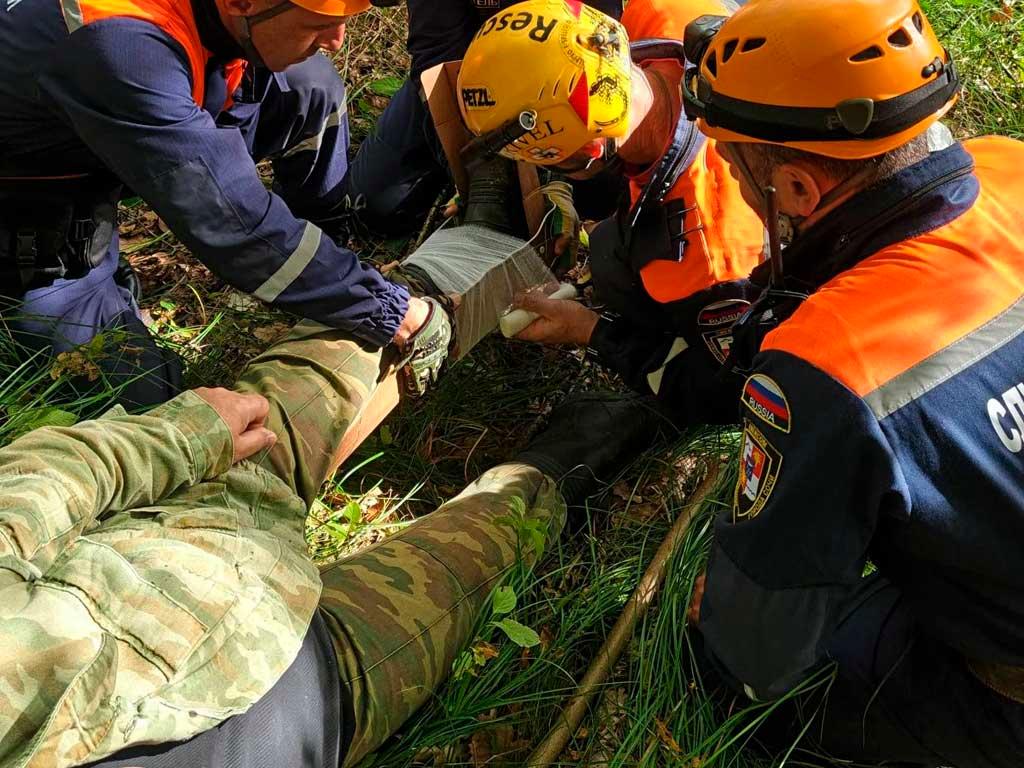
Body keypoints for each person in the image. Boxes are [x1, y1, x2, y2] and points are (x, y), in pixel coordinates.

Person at [0, 305, 670, 766]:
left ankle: (448, 271)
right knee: (493, 529)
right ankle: (593, 440)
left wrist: (184, 437)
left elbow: (31, 493)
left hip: (179, 545)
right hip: (306, 694)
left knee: (340, 342)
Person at [672, 1, 1024, 765]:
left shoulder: (827, 364)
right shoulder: (1012, 161)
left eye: (738, 173)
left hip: (1007, 694)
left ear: (797, 189)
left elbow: (762, 642)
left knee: (729, 667)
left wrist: (732, 615)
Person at [0, 0, 448, 408]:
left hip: (99, 136)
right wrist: (390, 311)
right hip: (34, 228)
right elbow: (231, 220)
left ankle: (323, 253)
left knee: (310, 87)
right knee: (149, 408)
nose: (337, 40)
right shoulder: (117, 45)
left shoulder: (215, 20)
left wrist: (333, 275)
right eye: (318, 25)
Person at [455, 0, 765, 421]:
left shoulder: (701, 255)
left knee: (635, 286)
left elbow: (728, 390)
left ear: (589, 151)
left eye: (553, 167)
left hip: (746, 287)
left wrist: (589, 330)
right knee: (609, 253)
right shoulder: (662, 13)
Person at [342, 0, 624, 238]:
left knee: (604, 200)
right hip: (466, 80)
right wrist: (480, 172)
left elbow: (598, 63)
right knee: (373, 208)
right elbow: (438, 56)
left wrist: (550, 174)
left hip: (564, 95)